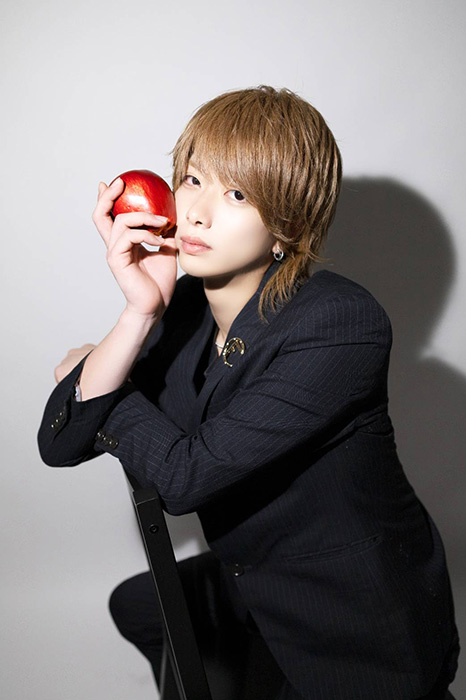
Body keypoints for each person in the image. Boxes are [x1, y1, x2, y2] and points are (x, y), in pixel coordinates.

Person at [38, 85, 460, 700]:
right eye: (192, 180)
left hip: (355, 625)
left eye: (237, 194)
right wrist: (137, 315)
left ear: (289, 223)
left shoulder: (339, 322)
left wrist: (104, 377)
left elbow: (185, 478)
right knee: (140, 606)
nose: (198, 213)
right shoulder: (186, 308)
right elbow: (60, 444)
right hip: (255, 572)